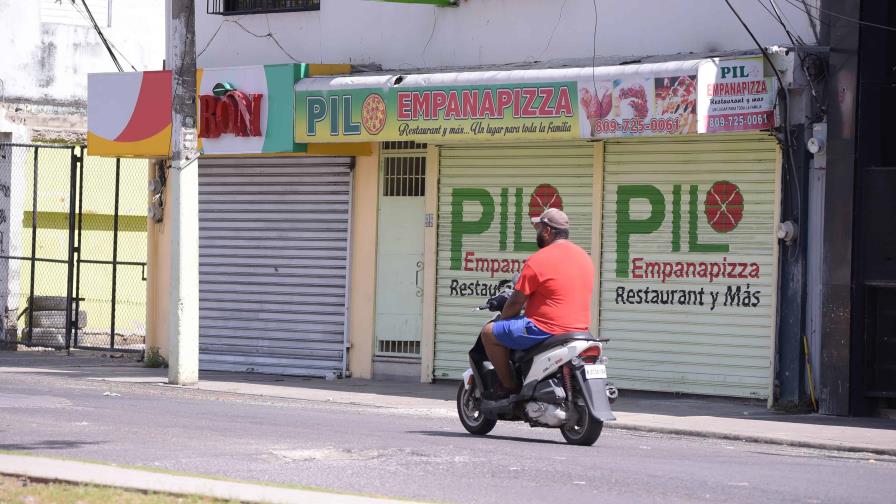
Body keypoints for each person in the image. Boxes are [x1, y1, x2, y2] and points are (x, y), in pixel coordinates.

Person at [479, 208, 595, 398]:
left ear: (547, 231)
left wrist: (503, 320)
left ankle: (510, 387)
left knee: (489, 333)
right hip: (579, 330)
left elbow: (516, 303)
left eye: (539, 228)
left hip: (544, 328)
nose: (538, 233)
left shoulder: (538, 259)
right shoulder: (585, 257)